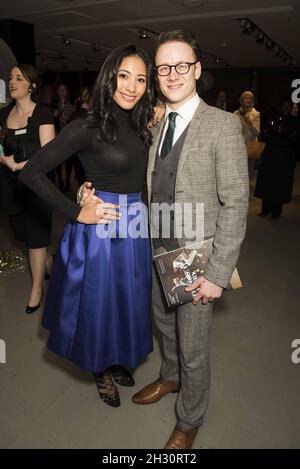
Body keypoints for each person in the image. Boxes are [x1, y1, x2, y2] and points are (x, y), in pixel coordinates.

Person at [130, 30, 249, 449]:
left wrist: (218, 273)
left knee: (194, 344)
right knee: (164, 325)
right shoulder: (158, 122)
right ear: (157, 74)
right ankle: (170, 376)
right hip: (157, 248)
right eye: (164, 67)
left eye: (183, 65)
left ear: (197, 69)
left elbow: (235, 203)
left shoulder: (223, 125)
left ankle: (190, 417)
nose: (173, 74)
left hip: (199, 259)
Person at [19, 44, 155, 408]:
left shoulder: (143, 125)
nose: (131, 86)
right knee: (99, 305)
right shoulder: (85, 127)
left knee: (126, 301)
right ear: (109, 78)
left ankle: (115, 357)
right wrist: (75, 209)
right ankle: (101, 368)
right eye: (124, 76)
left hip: (135, 228)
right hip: (101, 231)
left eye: (140, 79)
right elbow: (32, 172)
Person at [0, 64, 55, 313]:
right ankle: (49, 262)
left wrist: (19, 165)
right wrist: (5, 160)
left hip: (37, 185)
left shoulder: (42, 113)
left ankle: (36, 289)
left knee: (35, 240)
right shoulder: (3, 116)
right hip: (11, 186)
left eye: (18, 78)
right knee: (23, 236)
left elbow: (49, 153)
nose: (12, 81)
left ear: (31, 85)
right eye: (10, 77)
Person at [255, 114, 297, 218]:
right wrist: (269, 132)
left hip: (285, 155)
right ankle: (265, 209)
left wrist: (289, 134)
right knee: (267, 181)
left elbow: (296, 138)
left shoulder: (294, 121)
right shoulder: (272, 118)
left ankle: (276, 211)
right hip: (271, 154)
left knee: (280, 183)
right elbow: (264, 136)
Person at [234, 91, 260, 180]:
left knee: (249, 170)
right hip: (238, 144)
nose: (248, 100)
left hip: (250, 144)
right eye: (246, 98)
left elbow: (257, 132)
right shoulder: (235, 114)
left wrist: (250, 124)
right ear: (241, 100)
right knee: (237, 168)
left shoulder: (256, 114)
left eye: (250, 98)